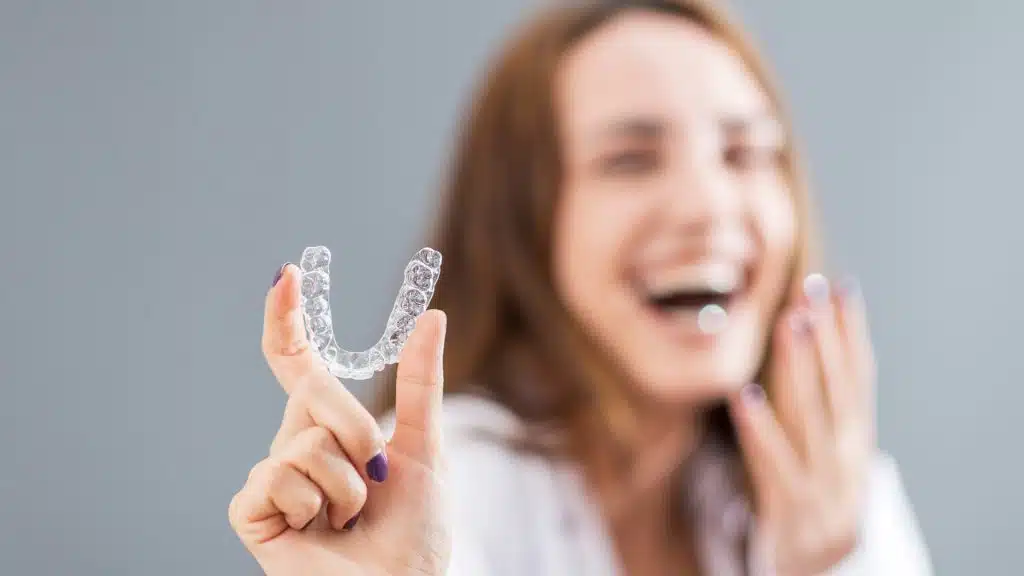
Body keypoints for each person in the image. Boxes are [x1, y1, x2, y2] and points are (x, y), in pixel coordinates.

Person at [228, 1, 933, 574]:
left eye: (745, 152)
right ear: (526, 224)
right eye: (630, 159)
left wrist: (824, 567)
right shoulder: (436, 495)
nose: (708, 205)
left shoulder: (842, 500)